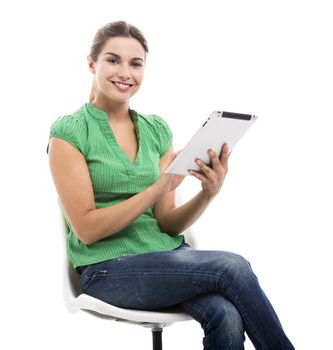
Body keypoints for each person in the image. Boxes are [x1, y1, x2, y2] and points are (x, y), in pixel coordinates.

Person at [47, 20, 295, 350]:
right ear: (91, 64)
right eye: (112, 60)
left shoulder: (157, 131)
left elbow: (166, 222)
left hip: (165, 258)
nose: (125, 72)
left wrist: (208, 193)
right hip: (106, 270)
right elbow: (87, 229)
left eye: (136, 64)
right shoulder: (69, 133)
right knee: (231, 266)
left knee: (224, 313)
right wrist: (155, 189)